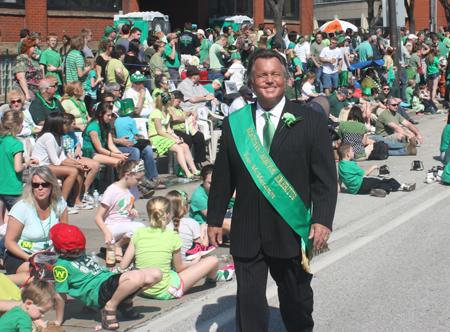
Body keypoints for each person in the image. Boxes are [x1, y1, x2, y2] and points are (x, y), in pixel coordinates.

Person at [207, 49, 337, 332]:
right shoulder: (235, 123)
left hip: (290, 228)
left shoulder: (310, 120)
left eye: (275, 74)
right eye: (261, 75)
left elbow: (325, 179)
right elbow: (222, 176)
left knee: (297, 300)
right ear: (251, 83)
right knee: (250, 306)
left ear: (286, 80)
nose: (269, 80)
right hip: (247, 229)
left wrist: (322, 220)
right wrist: (215, 219)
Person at [119, 196, 234, 301]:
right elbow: (180, 267)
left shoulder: (139, 233)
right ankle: (214, 277)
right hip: (166, 289)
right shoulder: (172, 235)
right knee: (212, 260)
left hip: (142, 288)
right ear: (168, 214)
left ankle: (212, 275)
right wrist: (195, 262)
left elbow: (123, 265)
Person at [51, 223, 162, 331]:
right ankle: (109, 307)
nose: (80, 253)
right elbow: (60, 294)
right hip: (98, 290)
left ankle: (124, 301)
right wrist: (58, 320)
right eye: (75, 252)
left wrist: (86, 305)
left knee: (157, 273)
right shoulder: (61, 266)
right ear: (63, 253)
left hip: (107, 279)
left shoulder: (80, 252)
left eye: (82, 250)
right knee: (137, 277)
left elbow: (87, 274)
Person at [4, 167, 68, 285]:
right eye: (36, 185)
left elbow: (64, 235)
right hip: (21, 255)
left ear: (52, 185)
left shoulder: (59, 203)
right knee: (43, 275)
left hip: (49, 257)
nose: (40, 188)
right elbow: (9, 242)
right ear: (31, 187)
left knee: (72, 271)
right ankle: (4, 280)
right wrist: (30, 258)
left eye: (45, 184)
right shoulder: (22, 208)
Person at [32, 113, 92, 212]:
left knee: (79, 169)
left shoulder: (59, 136)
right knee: (73, 171)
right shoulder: (48, 137)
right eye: (63, 123)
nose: (66, 125)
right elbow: (56, 161)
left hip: (50, 165)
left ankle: (76, 201)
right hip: (41, 167)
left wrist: (78, 164)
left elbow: (62, 157)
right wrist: (75, 165)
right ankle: (62, 204)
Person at [95, 159, 147, 262]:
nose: (140, 182)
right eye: (138, 179)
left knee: (145, 233)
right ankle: (118, 244)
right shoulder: (112, 191)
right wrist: (107, 232)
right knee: (140, 227)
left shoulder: (133, 188)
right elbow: (98, 217)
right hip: (113, 227)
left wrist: (132, 209)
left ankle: (123, 244)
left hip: (126, 225)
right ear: (127, 175)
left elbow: (129, 204)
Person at [148, 92, 199, 179]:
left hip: (165, 135)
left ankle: (194, 170)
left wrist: (176, 137)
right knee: (179, 148)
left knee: (185, 146)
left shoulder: (167, 111)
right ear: (168, 101)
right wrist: (174, 139)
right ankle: (186, 172)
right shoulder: (156, 112)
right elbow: (160, 131)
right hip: (156, 136)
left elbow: (168, 129)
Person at [337, 144, 415, 197]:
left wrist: (339, 189)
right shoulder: (351, 164)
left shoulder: (340, 165)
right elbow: (365, 174)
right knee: (383, 179)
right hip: (361, 183)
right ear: (348, 154)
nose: (354, 152)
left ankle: (378, 190)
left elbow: (340, 178)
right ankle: (404, 186)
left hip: (356, 190)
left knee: (380, 183)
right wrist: (373, 167)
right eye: (352, 151)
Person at [62, 113, 100, 205]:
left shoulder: (71, 133)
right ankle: (75, 199)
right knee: (81, 168)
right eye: (73, 124)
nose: (75, 126)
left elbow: (77, 143)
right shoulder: (61, 135)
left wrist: (78, 148)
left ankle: (83, 193)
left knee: (95, 165)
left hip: (75, 157)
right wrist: (73, 159)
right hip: (65, 159)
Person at [166, 190, 211, 260]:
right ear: (185, 207)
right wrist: (208, 231)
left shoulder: (163, 226)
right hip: (189, 265)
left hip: (170, 266)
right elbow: (200, 251)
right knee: (205, 226)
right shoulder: (192, 223)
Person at [82, 102, 130, 167]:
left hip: (101, 152)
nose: (110, 118)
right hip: (91, 154)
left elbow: (111, 145)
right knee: (121, 163)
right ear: (100, 114)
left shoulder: (107, 125)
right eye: (108, 115)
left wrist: (121, 154)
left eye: (111, 115)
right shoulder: (93, 127)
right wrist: (117, 156)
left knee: (126, 161)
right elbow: (99, 149)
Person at [168, 90, 207, 169]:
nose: (179, 103)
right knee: (187, 139)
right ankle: (186, 162)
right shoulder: (169, 108)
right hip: (174, 130)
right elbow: (174, 118)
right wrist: (186, 118)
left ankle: (198, 161)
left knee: (199, 136)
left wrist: (191, 112)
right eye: (178, 101)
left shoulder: (178, 108)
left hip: (185, 129)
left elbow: (185, 113)